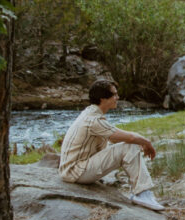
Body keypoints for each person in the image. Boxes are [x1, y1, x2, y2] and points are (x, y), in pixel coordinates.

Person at [59, 79, 165, 211]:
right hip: (76, 172)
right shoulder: (93, 120)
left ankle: (141, 191)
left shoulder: (90, 112)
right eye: (114, 94)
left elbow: (115, 138)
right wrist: (146, 142)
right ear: (103, 99)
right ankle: (141, 193)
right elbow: (131, 138)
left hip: (73, 168)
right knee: (130, 145)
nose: (118, 97)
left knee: (128, 144)